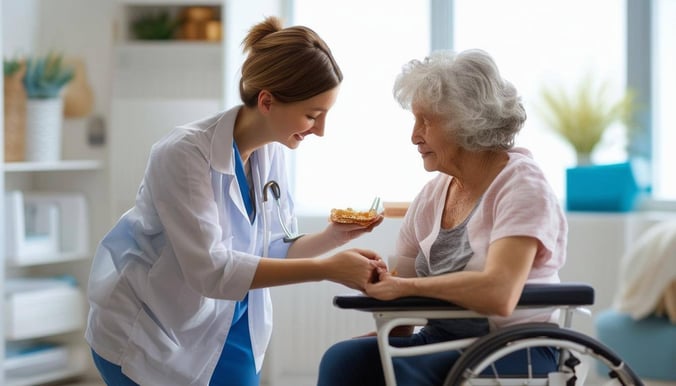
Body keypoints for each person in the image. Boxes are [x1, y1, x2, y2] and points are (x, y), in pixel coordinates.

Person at [86, 16, 385, 386]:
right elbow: (211, 271)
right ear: (267, 101)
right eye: (312, 115)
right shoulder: (183, 154)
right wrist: (327, 269)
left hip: (228, 322)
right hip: (151, 331)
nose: (320, 130)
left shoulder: (272, 152)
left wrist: (333, 238)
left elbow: (271, 248)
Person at [317, 49, 567, 386]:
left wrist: (404, 288)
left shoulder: (522, 186)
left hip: (514, 348)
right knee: (346, 360)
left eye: (426, 121)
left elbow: (499, 292)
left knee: (400, 372)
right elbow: (401, 290)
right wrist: (393, 332)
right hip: (444, 342)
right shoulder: (433, 195)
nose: (414, 135)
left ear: (468, 120)